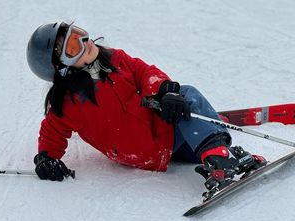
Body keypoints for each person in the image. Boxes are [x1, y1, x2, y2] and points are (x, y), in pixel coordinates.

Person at [26, 22, 267, 198]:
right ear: (61, 69)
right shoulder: (69, 102)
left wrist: (164, 89)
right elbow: (52, 130)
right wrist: (46, 158)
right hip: (142, 148)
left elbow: (144, 73)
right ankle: (220, 159)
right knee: (189, 94)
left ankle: (220, 156)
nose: (84, 43)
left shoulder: (116, 58)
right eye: (71, 47)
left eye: (78, 34)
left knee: (191, 121)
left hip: (166, 138)